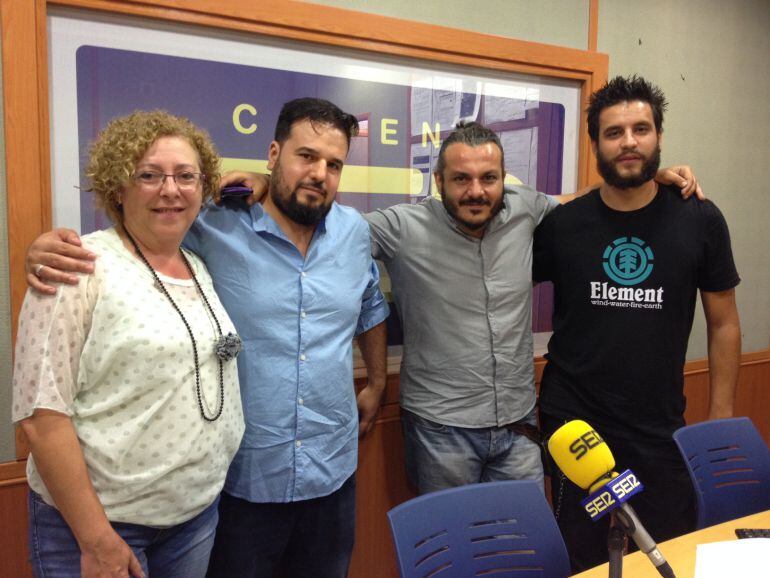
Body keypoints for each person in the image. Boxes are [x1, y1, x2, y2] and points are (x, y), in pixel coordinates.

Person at [215, 121, 700, 496]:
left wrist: (645, 178)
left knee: (524, 554)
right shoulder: (399, 227)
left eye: (489, 178)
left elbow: (590, 203)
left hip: (519, 429)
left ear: (503, 181)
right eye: (461, 179)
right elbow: (322, 218)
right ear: (438, 181)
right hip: (440, 433)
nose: (476, 191)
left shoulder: (526, 207)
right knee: (455, 553)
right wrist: (267, 178)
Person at [12, 110, 245, 578]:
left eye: (185, 176)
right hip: (100, 526)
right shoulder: (76, 269)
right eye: (149, 175)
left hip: (193, 516)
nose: (170, 189)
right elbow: (41, 417)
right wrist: (96, 540)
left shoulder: (198, 266)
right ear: (118, 188)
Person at [533, 75, 741, 572]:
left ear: (659, 137)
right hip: (574, 424)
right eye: (614, 132)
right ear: (595, 144)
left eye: (640, 129)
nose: (628, 141)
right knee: (581, 556)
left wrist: (721, 414)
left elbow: (725, 323)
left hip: (660, 426)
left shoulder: (700, 218)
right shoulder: (563, 225)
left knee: (665, 551)